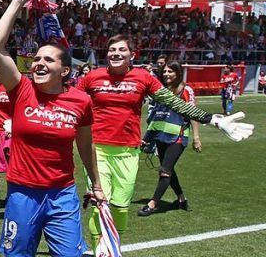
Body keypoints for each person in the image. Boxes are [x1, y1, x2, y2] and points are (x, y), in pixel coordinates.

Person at [0, 0, 105, 257]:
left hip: (62, 194)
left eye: (48, 60)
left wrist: (97, 185)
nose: (38, 63)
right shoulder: (20, 89)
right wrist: (18, 1)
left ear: (64, 70)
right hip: (23, 193)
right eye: (36, 58)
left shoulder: (80, 101)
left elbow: (85, 146)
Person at [75, 35, 252, 244]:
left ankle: (114, 246)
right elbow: (71, 102)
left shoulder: (143, 77)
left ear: (132, 55)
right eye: (112, 49)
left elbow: (174, 103)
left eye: (122, 50)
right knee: (99, 203)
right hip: (97, 150)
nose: (116, 53)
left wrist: (211, 119)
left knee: (121, 207)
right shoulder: (92, 77)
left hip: (128, 151)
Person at [138, 61, 201, 216]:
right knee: (169, 169)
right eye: (165, 71)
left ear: (178, 73)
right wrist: (147, 137)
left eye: (170, 71)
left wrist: (196, 137)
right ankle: (181, 199)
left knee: (165, 171)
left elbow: (194, 113)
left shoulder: (186, 90)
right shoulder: (161, 90)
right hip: (160, 135)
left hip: (177, 137)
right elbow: (156, 115)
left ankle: (152, 204)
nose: (166, 74)